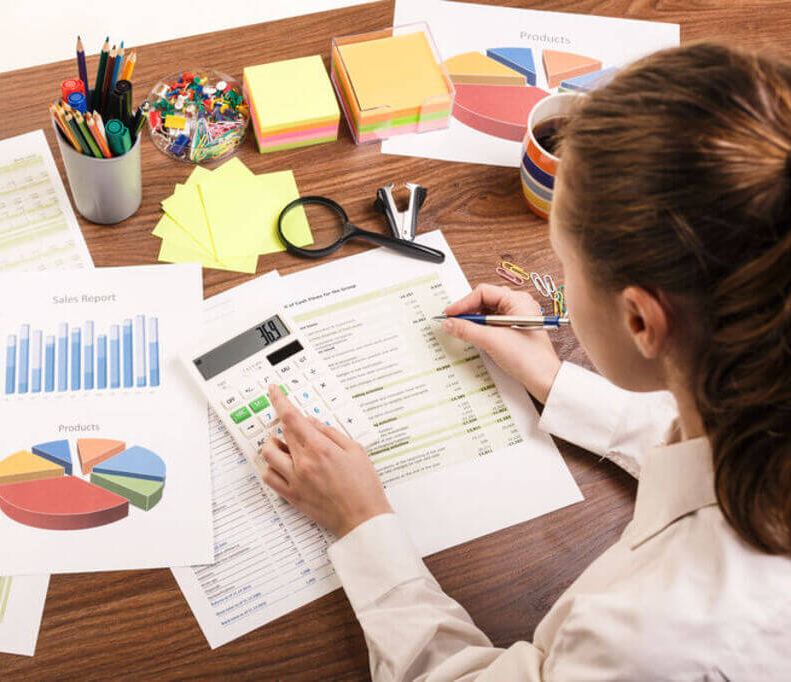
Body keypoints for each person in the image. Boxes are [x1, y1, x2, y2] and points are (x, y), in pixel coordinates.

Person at [260, 42, 791, 680]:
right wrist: (555, 382)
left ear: (641, 321)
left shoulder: (653, 639)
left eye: (565, 265)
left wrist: (361, 523)